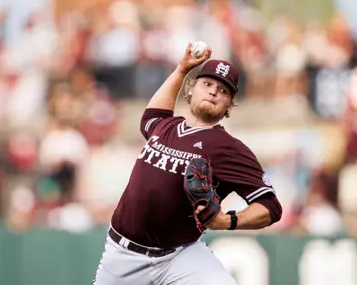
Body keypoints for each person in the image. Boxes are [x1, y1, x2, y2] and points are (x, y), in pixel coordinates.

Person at [93, 43, 283, 285]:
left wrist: (228, 220)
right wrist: (181, 70)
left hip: (180, 256)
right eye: (207, 84)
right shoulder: (166, 126)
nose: (214, 92)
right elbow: (150, 117)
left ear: (229, 105)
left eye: (223, 91)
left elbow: (270, 206)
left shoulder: (229, 148)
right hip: (122, 256)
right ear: (191, 89)